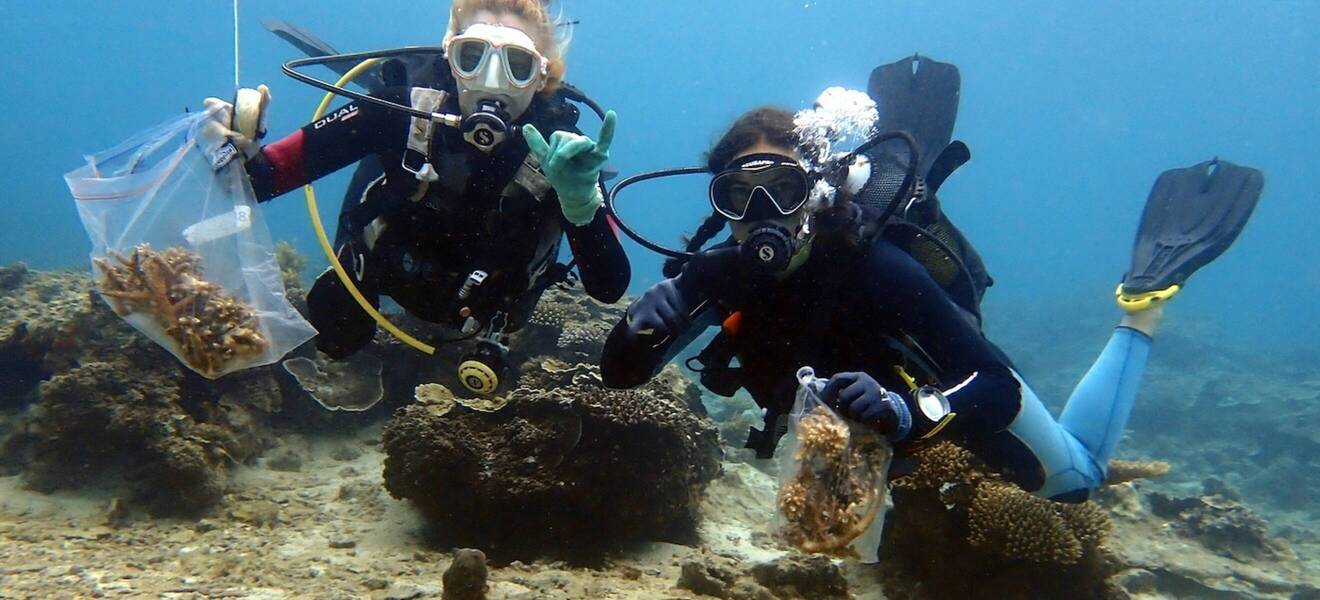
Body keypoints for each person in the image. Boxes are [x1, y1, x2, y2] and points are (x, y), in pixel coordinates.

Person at [600, 105, 1262, 502]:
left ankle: (1140, 307)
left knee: (1076, 483)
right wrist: (636, 327)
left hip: (943, 402)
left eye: (785, 189)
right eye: (738, 197)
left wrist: (908, 411)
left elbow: (999, 386)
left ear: (821, 193)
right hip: (873, 464)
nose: (762, 214)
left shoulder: (878, 272)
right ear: (719, 205)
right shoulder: (718, 276)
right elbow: (620, 377)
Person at [204, 0, 629, 393]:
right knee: (335, 333)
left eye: (516, 65)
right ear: (449, 57)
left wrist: (580, 204)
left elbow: (609, 286)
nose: (491, 81)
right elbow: (261, 181)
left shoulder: (566, 155)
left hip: (490, 300)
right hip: (387, 262)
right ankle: (353, 273)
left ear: (542, 76)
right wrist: (235, 147)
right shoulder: (399, 108)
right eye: (473, 57)